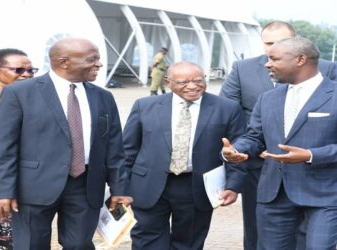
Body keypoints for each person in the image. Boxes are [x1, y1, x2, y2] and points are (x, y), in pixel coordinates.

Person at [0, 37, 132, 250]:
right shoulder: (19, 93)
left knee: (80, 245)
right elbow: (4, 146)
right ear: (64, 62)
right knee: (31, 245)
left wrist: (120, 188)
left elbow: (114, 146)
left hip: (86, 185)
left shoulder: (103, 97)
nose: (99, 64)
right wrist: (3, 191)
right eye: (92, 59)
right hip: (33, 186)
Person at [220, 20, 337, 250]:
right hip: (273, 196)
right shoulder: (268, 98)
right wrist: (237, 150)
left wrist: (311, 155)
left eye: (274, 59)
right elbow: (255, 137)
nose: (266, 64)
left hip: (324, 198)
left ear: (300, 59)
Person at [123, 61, 247, 249]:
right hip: (148, 183)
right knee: (147, 240)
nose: (192, 86)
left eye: (198, 80)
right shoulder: (144, 106)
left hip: (196, 186)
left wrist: (233, 185)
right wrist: (120, 186)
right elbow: (128, 150)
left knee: (189, 242)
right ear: (168, 82)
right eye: (183, 82)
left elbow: (238, 149)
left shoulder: (227, 108)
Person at [0, 48, 37, 249]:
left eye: (31, 70)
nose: (25, 75)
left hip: (15, 189)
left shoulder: (39, 104)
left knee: (13, 242)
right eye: (18, 70)